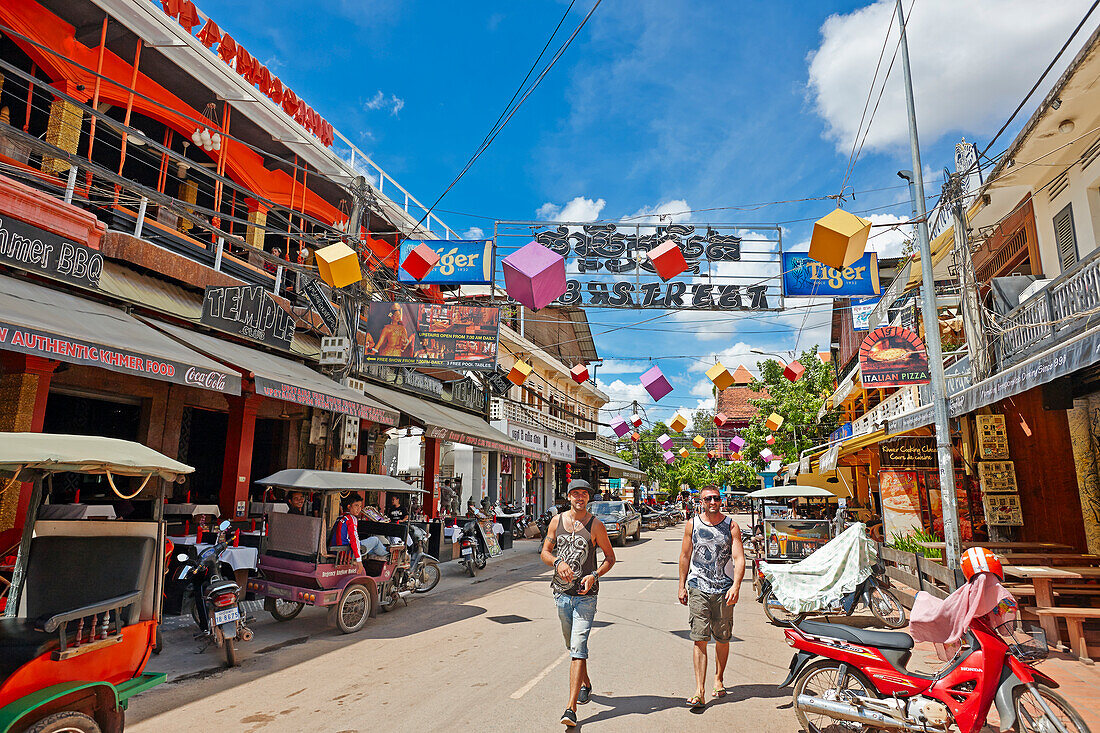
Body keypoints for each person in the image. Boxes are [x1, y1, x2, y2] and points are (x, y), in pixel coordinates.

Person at [541, 479, 616, 727]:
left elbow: (610, 558)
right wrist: (556, 563)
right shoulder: (556, 521)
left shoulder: (596, 526)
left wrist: (593, 575)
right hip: (561, 594)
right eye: (575, 494)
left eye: (584, 494)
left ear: (588, 498)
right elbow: (545, 552)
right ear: (569, 497)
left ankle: (570, 709)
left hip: (586, 596)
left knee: (578, 647)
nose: (580, 497)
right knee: (570, 644)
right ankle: (585, 683)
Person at [677, 484, 745, 711]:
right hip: (698, 587)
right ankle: (699, 690)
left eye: (716, 498)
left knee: (723, 638)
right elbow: (685, 556)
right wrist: (682, 585)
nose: (713, 502)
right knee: (699, 638)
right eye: (708, 499)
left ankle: (718, 678)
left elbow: (739, 557)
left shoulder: (731, 526)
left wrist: (736, 585)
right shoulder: (692, 524)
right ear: (701, 501)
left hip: (724, 589)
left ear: (721, 500)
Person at [331, 494, 388, 561]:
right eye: (356, 505)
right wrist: (358, 559)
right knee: (375, 540)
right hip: (347, 551)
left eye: (360, 506)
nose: (359, 509)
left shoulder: (340, 517)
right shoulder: (351, 518)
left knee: (372, 548)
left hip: (337, 550)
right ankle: (387, 554)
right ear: (349, 507)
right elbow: (354, 540)